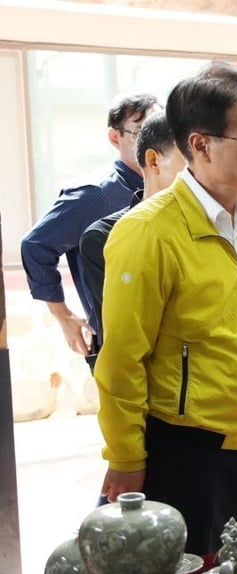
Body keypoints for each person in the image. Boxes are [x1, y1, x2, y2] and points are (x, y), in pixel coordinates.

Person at [95, 62, 237, 554]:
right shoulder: (148, 231)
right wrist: (126, 456)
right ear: (200, 145)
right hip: (186, 452)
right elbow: (122, 358)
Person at [21, 92, 160, 369]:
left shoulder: (169, 188)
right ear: (114, 137)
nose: (153, 142)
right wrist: (64, 316)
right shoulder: (95, 194)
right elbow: (35, 246)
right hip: (119, 346)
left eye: (159, 130)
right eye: (141, 131)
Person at [80, 111, 185, 350]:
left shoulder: (210, 227)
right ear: (154, 160)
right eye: (189, 160)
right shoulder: (104, 236)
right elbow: (130, 331)